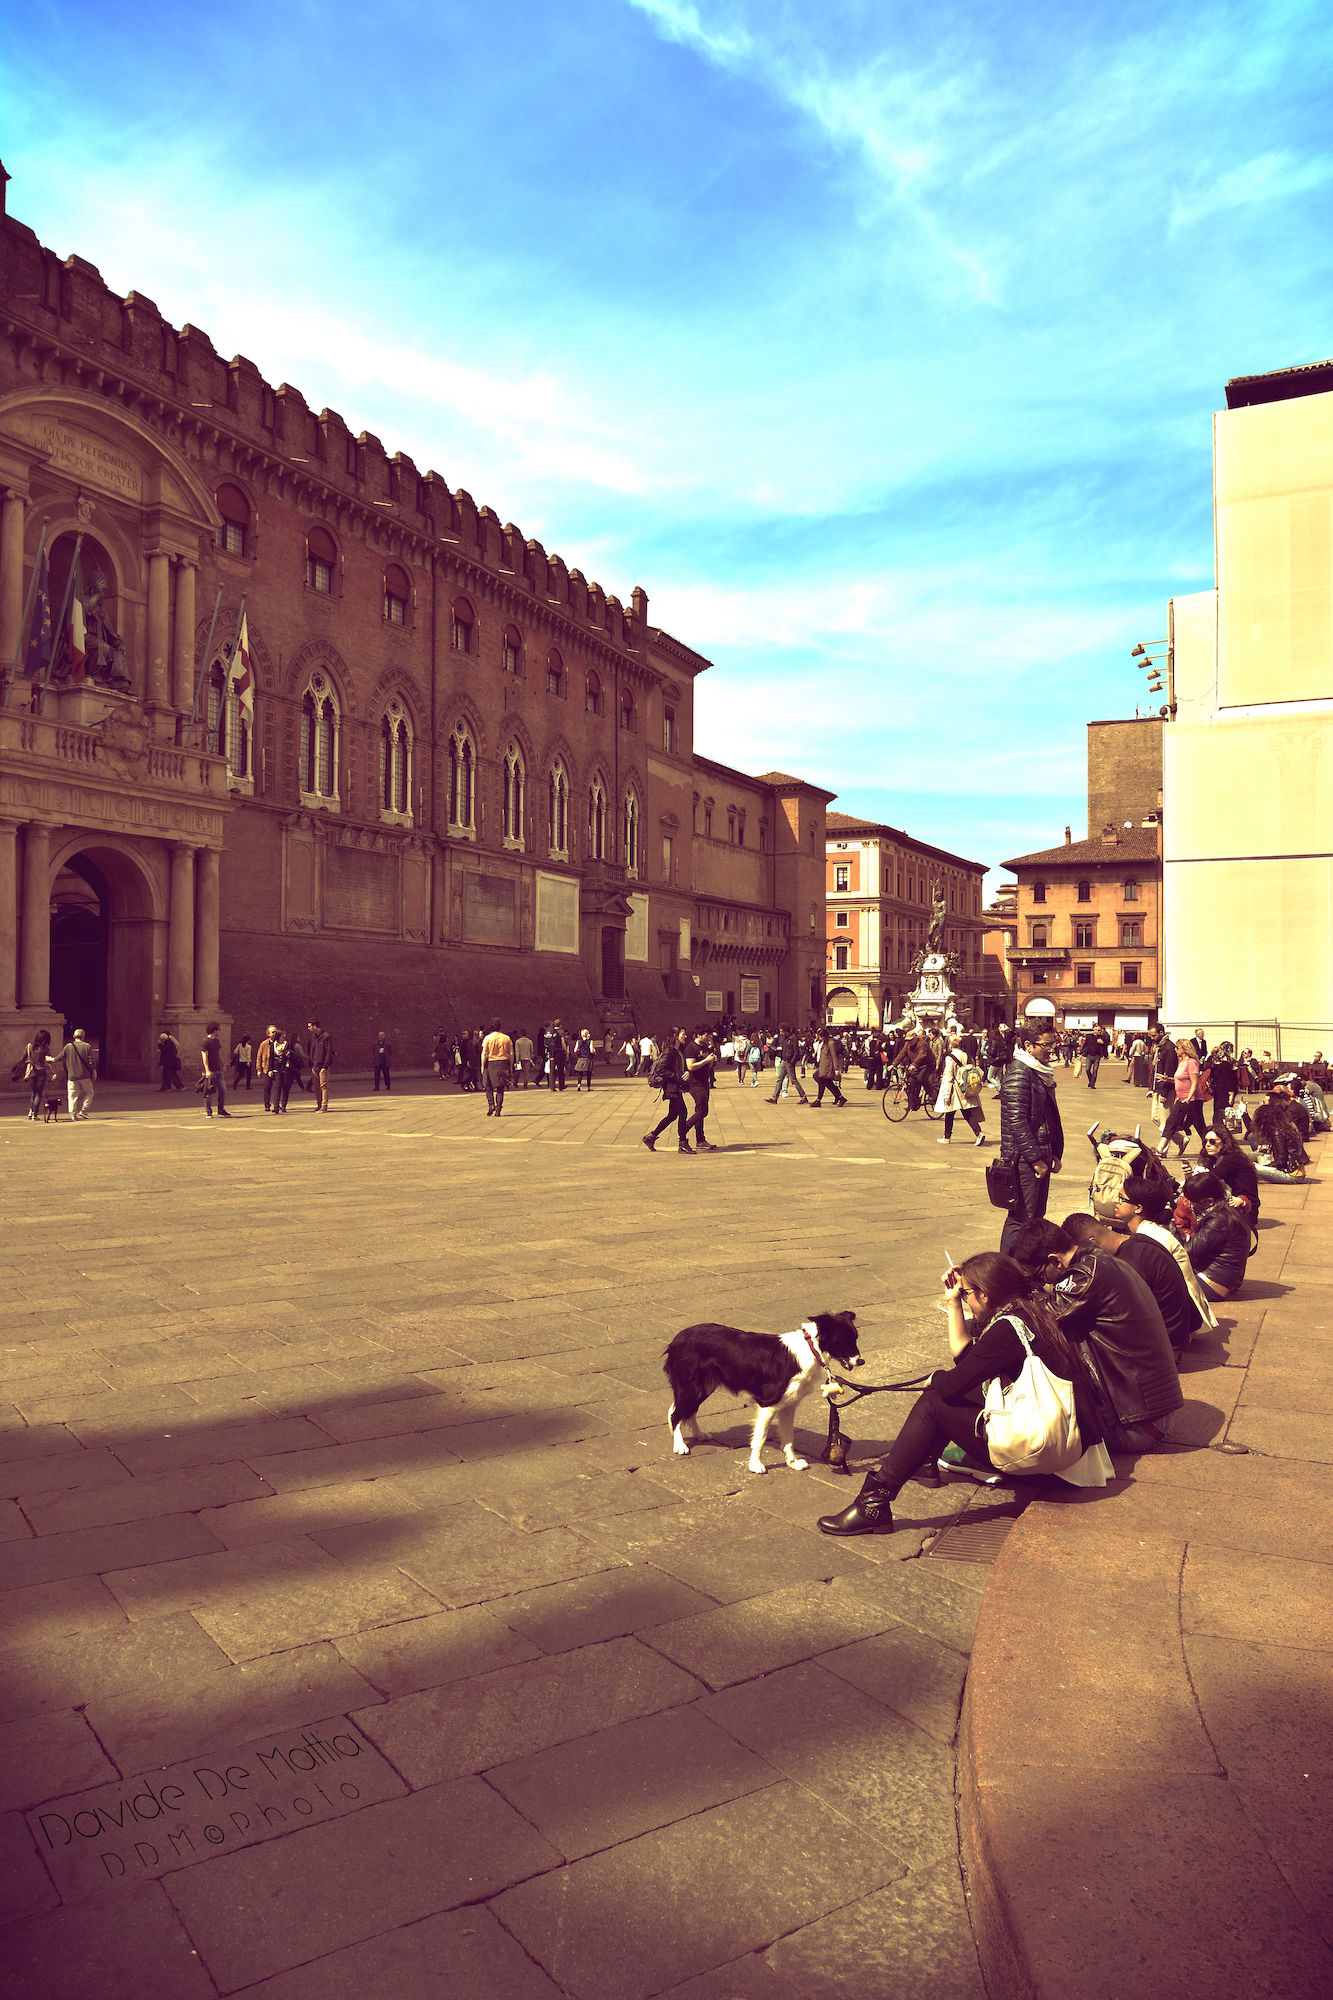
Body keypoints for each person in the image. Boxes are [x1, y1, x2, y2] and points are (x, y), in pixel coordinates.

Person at [817, 1251, 1106, 1536]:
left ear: (986, 1294)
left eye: (967, 1294)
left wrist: (938, 1378)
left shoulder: (1007, 1329)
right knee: (949, 1393)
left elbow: (953, 1383)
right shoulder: (1030, 1312)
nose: (967, 1301)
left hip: (1053, 1461)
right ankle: (922, 1462)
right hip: (1075, 1454)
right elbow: (968, 1361)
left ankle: (874, 1503)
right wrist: (953, 1302)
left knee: (934, 1402)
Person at [1013, 1218, 1183, 1453]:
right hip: (1150, 1417)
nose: (1040, 1283)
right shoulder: (1098, 1260)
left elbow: (1035, 1321)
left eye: (1039, 1277)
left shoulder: (1087, 1275)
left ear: (1054, 1260)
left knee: (1028, 1437)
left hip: (1136, 1427)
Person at [1059, 1212, 1204, 1361]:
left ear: (1092, 1242)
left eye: (1081, 1256)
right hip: (1171, 1339)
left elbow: (1121, 1318)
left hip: (1163, 1352)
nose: (1084, 1263)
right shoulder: (1136, 1242)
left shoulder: (1130, 1262)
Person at [998, 1023, 1064, 1255]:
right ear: (1028, 1046)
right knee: (1020, 1217)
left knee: (1036, 1215)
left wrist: (1054, 1153)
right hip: (1023, 1160)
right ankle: (1005, 1268)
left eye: (1053, 1044)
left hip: (1040, 1154)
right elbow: (1017, 1122)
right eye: (1046, 1045)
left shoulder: (1038, 1072)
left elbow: (1046, 1118)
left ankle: (1026, 1264)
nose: (1052, 1050)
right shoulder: (1019, 1073)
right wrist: (1036, 1159)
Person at [1181, 1173, 1252, 1301]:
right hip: (1228, 1280)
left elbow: (1186, 1253)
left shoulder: (1218, 1220)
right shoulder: (1228, 1209)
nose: (1190, 1205)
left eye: (1193, 1201)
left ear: (1209, 1201)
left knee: (1159, 1285)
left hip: (1214, 1284)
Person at [642, 1029, 693, 1153]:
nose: (685, 1036)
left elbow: (679, 1067)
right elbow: (661, 1069)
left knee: (672, 1115)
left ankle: (651, 1137)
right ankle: (682, 1143)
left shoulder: (678, 1051)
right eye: (683, 1034)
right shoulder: (669, 1051)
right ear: (675, 1036)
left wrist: (686, 1072)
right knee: (683, 1113)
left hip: (676, 1086)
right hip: (672, 1087)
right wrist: (677, 1077)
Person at [1157, 1041, 1208, 1158]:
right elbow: (1180, 1080)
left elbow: (1195, 1081)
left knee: (1199, 1125)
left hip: (1193, 1100)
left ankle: (1212, 1146)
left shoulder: (1192, 1062)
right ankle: (1159, 1149)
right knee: (1171, 1122)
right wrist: (1167, 1080)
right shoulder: (1181, 1062)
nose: (1175, 1050)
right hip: (1181, 1099)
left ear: (1184, 1049)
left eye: (1177, 1048)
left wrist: (1189, 1098)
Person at [934, 1036, 986, 1146]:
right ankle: (978, 1133)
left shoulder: (950, 1058)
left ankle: (947, 1137)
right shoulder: (965, 1054)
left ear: (950, 1045)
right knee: (966, 1112)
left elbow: (948, 1075)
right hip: (965, 1086)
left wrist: (946, 1094)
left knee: (950, 1112)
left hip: (955, 1089)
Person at [1199, 1127, 1260, 1218]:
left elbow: (1208, 1180)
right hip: (1233, 1205)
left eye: (1212, 1141)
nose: (1207, 1145)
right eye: (1205, 1141)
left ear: (1224, 1143)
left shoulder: (1232, 1159)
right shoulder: (1215, 1159)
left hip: (1243, 1208)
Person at [1251, 1091, 1310, 1183]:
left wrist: (1262, 1167)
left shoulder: (1277, 1133)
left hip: (1291, 1175)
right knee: (1249, 1160)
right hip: (1295, 1171)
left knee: (1249, 1168)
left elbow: (1281, 1162)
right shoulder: (1284, 1127)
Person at [682, 1033, 719, 1150]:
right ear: (699, 1035)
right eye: (706, 1035)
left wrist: (711, 1061)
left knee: (700, 1111)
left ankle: (700, 1140)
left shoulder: (705, 1047)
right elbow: (691, 1066)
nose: (708, 1038)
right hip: (695, 1083)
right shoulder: (691, 1048)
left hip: (704, 1082)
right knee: (702, 1112)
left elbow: (708, 1067)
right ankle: (683, 1128)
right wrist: (706, 1060)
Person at [767, 1025, 811, 1105]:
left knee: (793, 1080)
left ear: (786, 1030)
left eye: (782, 1031)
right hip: (784, 1060)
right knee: (779, 1080)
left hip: (789, 1061)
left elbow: (796, 1051)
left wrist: (792, 1061)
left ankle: (803, 1097)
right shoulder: (784, 1038)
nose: (781, 1033)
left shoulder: (792, 1037)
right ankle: (774, 1098)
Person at [480, 1017, 514, 1116]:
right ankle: (498, 1109)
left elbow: (484, 1053)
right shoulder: (506, 1038)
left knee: (487, 1086)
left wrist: (482, 1066)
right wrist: (511, 1066)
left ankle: (491, 1105)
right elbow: (511, 1053)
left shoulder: (488, 1038)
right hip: (503, 1062)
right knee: (500, 1088)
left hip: (491, 1063)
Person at [62, 1028, 97, 1121]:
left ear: (74, 1037)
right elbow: (91, 1061)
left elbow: (60, 1057)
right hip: (84, 1075)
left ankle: (73, 1114)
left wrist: (51, 1059)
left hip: (72, 1076)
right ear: (83, 1037)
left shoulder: (68, 1046)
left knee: (72, 1096)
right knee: (89, 1093)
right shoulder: (87, 1046)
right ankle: (84, 1110)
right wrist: (94, 1072)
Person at [200, 1020, 230, 1118]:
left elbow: (218, 1054)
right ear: (214, 1030)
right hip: (210, 1070)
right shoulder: (205, 1042)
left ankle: (221, 1109)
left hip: (218, 1069)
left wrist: (223, 1064)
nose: (219, 1031)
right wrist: (207, 1070)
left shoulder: (216, 1041)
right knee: (209, 1091)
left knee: (223, 1089)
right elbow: (204, 1057)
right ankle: (208, 1111)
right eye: (218, 1029)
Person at [811, 1028, 848, 1108]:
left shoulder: (831, 1043)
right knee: (827, 1083)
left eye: (821, 1036)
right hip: (823, 1066)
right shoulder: (824, 1042)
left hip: (828, 1067)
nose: (820, 1038)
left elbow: (834, 1056)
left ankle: (818, 1100)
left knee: (821, 1080)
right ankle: (840, 1098)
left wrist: (836, 1069)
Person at [24, 1028, 52, 1120]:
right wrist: (54, 1072)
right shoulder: (45, 1048)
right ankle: (34, 1114)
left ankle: (30, 1112)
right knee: (38, 1093)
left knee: (34, 1092)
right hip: (41, 1072)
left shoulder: (29, 1046)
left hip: (31, 1072)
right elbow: (48, 1061)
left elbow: (23, 1058)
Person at [307, 1020, 333, 1111]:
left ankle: (324, 1106)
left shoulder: (326, 1036)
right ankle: (319, 1104)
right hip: (315, 1066)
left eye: (309, 1026)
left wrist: (325, 1066)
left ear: (314, 1026)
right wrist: (311, 1064)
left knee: (323, 1085)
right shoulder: (313, 1037)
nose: (308, 1028)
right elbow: (310, 1050)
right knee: (316, 1087)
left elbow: (329, 1051)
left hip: (323, 1066)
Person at [270, 1029, 295, 1113]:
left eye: (284, 1034)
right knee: (277, 1087)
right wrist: (270, 1070)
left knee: (285, 1087)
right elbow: (271, 1058)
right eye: (282, 1035)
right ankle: (276, 1106)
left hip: (285, 1068)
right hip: (276, 1068)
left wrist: (289, 1055)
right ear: (278, 1036)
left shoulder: (287, 1044)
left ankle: (284, 1105)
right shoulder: (273, 1045)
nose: (284, 1036)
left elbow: (292, 1053)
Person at [256, 1027, 278, 1111]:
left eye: (275, 1032)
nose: (274, 1033)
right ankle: (267, 1104)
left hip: (276, 1068)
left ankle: (276, 1104)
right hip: (266, 1068)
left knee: (277, 1087)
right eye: (272, 1032)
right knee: (267, 1086)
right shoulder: (264, 1044)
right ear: (268, 1034)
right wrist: (259, 1069)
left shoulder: (278, 1043)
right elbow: (259, 1056)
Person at [543, 1020, 568, 1091]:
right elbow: (563, 1042)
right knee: (560, 1069)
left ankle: (552, 1087)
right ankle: (561, 1085)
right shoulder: (561, 1032)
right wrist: (566, 1051)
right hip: (559, 1052)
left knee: (552, 1070)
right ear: (560, 1025)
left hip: (551, 1052)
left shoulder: (549, 1032)